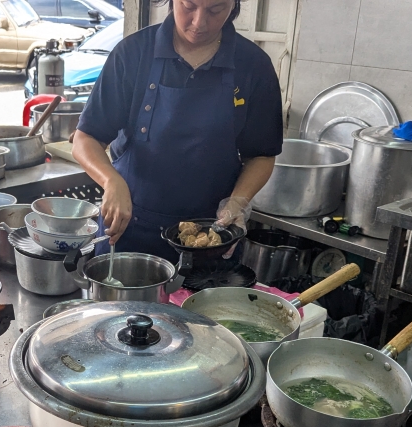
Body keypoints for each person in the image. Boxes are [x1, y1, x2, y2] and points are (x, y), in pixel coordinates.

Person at [72, 0, 283, 261]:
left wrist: (238, 202)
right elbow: (85, 138)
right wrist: (111, 181)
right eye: (189, 6)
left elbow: (261, 155)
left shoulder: (253, 65)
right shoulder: (134, 52)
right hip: (130, 232)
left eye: (215, 10)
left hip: (209, 238)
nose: (199, 22)